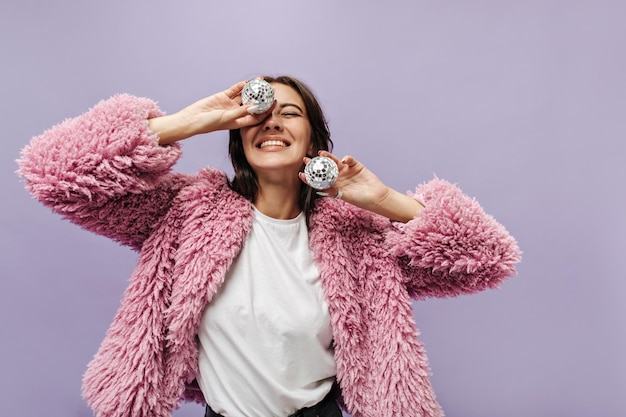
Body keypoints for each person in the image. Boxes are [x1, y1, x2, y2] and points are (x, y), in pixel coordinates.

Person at [17, 75, 521, 417]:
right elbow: (55, 173)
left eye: (291, 113)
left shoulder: (357, 234)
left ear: (313, 139)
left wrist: (386, 200)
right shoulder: (187, 211)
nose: (273, 121)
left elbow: (487, 256)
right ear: (240, 137)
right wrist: (190, 121)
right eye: (261, 113)